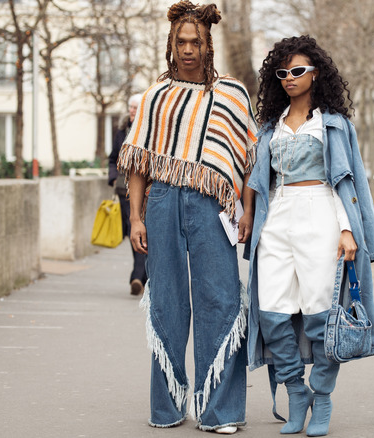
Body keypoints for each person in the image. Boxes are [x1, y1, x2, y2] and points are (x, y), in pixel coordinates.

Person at [117, 1, 257, 434]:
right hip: (162, 204)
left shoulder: (232, 94)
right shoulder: (156, 96)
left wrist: (248, 209)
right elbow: (139, 161)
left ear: (208, 44)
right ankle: (168, 407)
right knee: (168, 303)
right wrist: (136, 218)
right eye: (181, 41)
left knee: (221, 301)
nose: (189, 48)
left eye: (196, 41)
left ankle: (220, 412)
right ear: (170, 45)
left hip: (212, 207)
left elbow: (249, 159)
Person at [241, 35, 374, 437]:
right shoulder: (271, 126)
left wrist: (346, 228)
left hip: (321, 214)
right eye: (282, 72)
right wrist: (250, 216)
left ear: (316, 73)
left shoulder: (334, 124)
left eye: (298, 71)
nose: (289, 78)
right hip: (278, 217)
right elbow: (258, 178)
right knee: (270, 311)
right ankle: (295, 392)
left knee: (321, 315)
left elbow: (345, 180)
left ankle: (321, 396)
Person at [109, 93, 147, 296]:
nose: (132, 111)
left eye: (136, 107)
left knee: (143, 231)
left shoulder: (147, 128)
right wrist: (113, 178)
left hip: (146, 191)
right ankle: (142, 276)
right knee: (134, 232)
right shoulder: (122, 130)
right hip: (124, 190)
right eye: (130, 107)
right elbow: (112, 158)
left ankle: (137, 276)